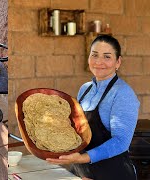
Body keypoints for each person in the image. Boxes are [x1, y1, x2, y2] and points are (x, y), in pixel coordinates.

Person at [46, 35, 140, 180]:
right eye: (94, 55)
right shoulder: (85, 89)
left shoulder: (123, 93)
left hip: (113, 173)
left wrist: (82, 158)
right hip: (82, 172)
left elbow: (121, 141)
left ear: (118, 62)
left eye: (107, 57)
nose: (99, 62)